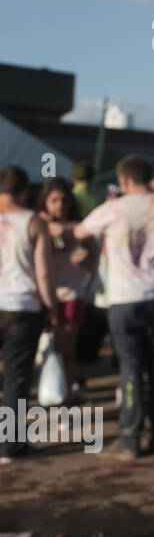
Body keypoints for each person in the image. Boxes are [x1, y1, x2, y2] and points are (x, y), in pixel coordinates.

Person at [75, 156, 154, 459]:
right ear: (149, 178)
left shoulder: (112, 210)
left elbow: (78, 234)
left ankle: (129, 438)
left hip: (123, 300)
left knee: (130, 367)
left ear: (124, 180)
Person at [0, 166, 61, 463]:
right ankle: (10, 444)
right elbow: (44, 273)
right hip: (21, 307)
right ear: (24, 192)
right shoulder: (33, 223)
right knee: (16, 376)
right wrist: (52, 306)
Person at [36, 178, 96, 398]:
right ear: (44, 202)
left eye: (63, 200)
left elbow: (92, 258)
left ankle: (62, 398)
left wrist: (85, 258)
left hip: (70, 296)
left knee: (65, 352)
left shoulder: (78, 229)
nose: (59, 205)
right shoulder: (37, 226)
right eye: (53, 200)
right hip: (41, 297)